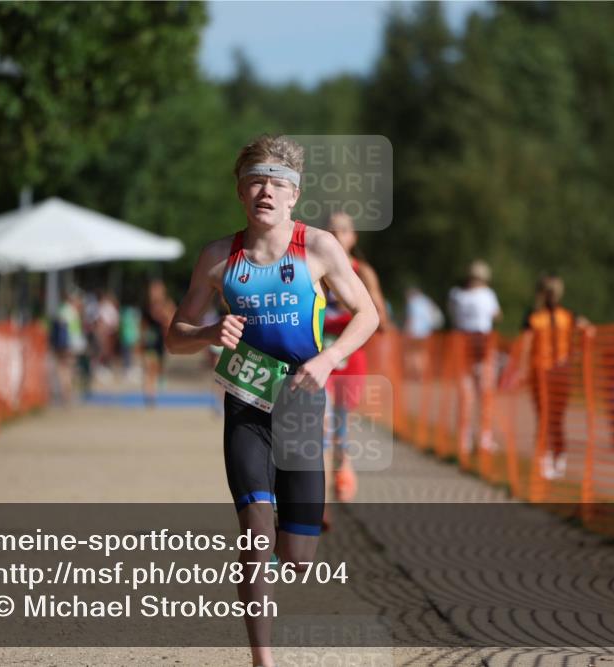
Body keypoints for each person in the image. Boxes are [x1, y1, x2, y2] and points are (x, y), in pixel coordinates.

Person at [164, 134, 379, 667]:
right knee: (256, 533)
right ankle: (264, 660)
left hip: (301, 407)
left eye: (278, 183)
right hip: (246, 408)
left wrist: (329, 359)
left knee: (298, 556)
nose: (266, 191)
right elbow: (175, 335)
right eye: (255, 182)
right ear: (240, 192)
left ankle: (285, 533)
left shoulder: (319, 247)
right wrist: (208, 332)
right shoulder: (219, 257)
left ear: (294, 195)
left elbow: (368, 314)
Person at [322, 211, 389, 503]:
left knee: (340, 425)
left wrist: (361, 306)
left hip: (350, 358)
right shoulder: (313, 268)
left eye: (343, 230)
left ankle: (343, 469)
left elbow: (382, 323)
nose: (337, 236)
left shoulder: (363, 272)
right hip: (319, 356)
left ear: (353, 237)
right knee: (319, 423)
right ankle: (319, 497)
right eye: (331, 231)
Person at [518, 275, 589, 480]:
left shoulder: (567, 316)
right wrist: (521, 368)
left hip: (560, 372)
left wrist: (578, 351)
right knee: (543, 416)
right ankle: (544, 458)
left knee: (556, 417)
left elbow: (587, 330)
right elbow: (525, 343)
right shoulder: (533, 317)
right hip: (540, 372)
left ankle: (559, 454)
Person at [447, 260, 502, 456]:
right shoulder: (487, 294)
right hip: (482, 344)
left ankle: (464, 439)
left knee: (466, 395)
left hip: (462, 344)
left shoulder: (456, 295)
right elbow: (497, 315)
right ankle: (484, 438)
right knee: (485, 395)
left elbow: (453, 316)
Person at [142, 278, 175, 406]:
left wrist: (162, 315)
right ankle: (150, 396)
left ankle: (154, 389)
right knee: (149, 368)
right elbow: (143, 325)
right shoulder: (147, 306)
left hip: (161, 341)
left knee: (157, 369)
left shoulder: (167, 305)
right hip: (150, 341)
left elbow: (171, 321)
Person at [403, 286, 443, 380]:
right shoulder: (426, 301)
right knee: (423, 353)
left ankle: (414, 374)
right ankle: (422, 374)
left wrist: (406, 330)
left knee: (412, 353)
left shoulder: (412, 302)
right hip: (426, 332)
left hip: (414, 332)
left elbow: (411, 318)